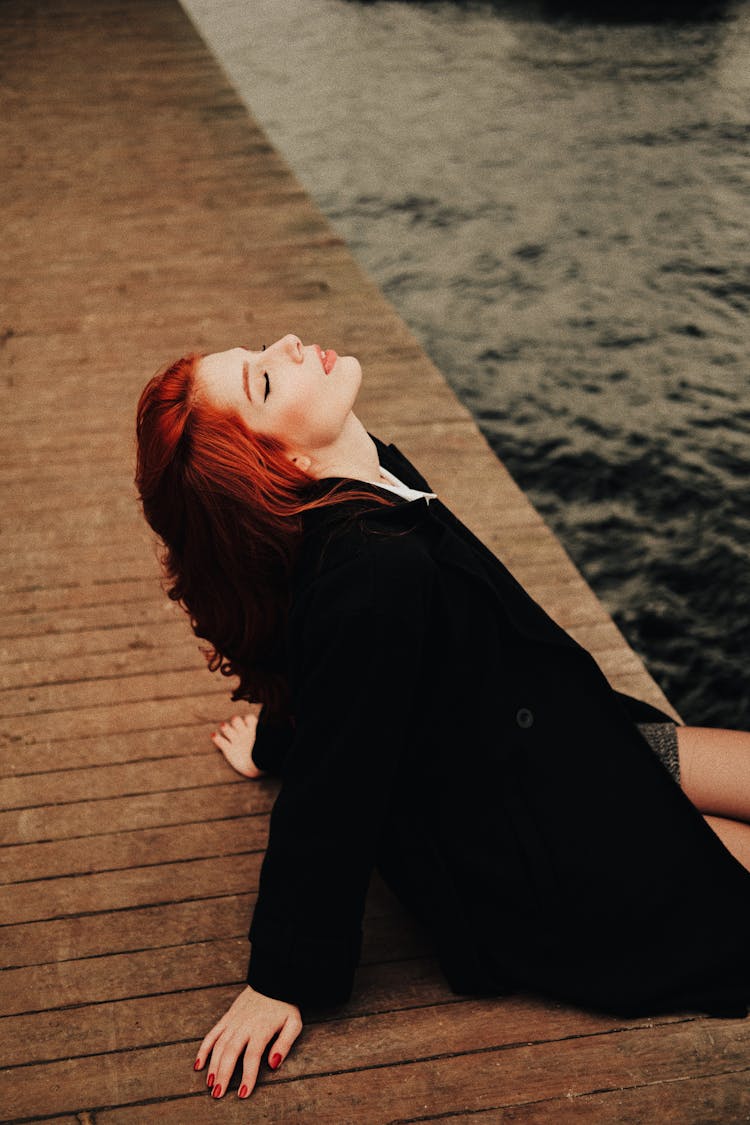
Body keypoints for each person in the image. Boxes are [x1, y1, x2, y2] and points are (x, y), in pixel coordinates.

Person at [135, 334, 750, 1101]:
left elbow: (330, 677)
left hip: (569, 742)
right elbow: (336, 794)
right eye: (264, 379)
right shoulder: (371, 571)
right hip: (554, 842)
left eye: (261, 347)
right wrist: (280, 977)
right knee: (727, 894)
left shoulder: (361, 487)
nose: (287, 344)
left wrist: (276, 736)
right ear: (283, 465)